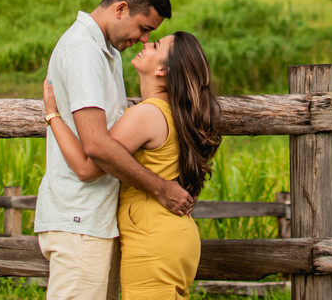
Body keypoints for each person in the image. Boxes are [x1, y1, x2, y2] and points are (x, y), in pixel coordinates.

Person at [35, 0, 195, 300]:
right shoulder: (84, 52)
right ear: (120, 9)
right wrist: (161, 188)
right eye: (144, 28)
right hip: (79, 218)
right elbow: (94, 148)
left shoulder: (106, 52)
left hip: (96, 219)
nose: (144, 39)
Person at [43, 30, 222, 299]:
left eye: (156, 45)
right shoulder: (170, 112)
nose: (146, 43)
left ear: (163, 69)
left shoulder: (146, 115)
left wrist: (52, 114)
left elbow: (86, 167)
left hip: (153, 239)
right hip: (172, 234)